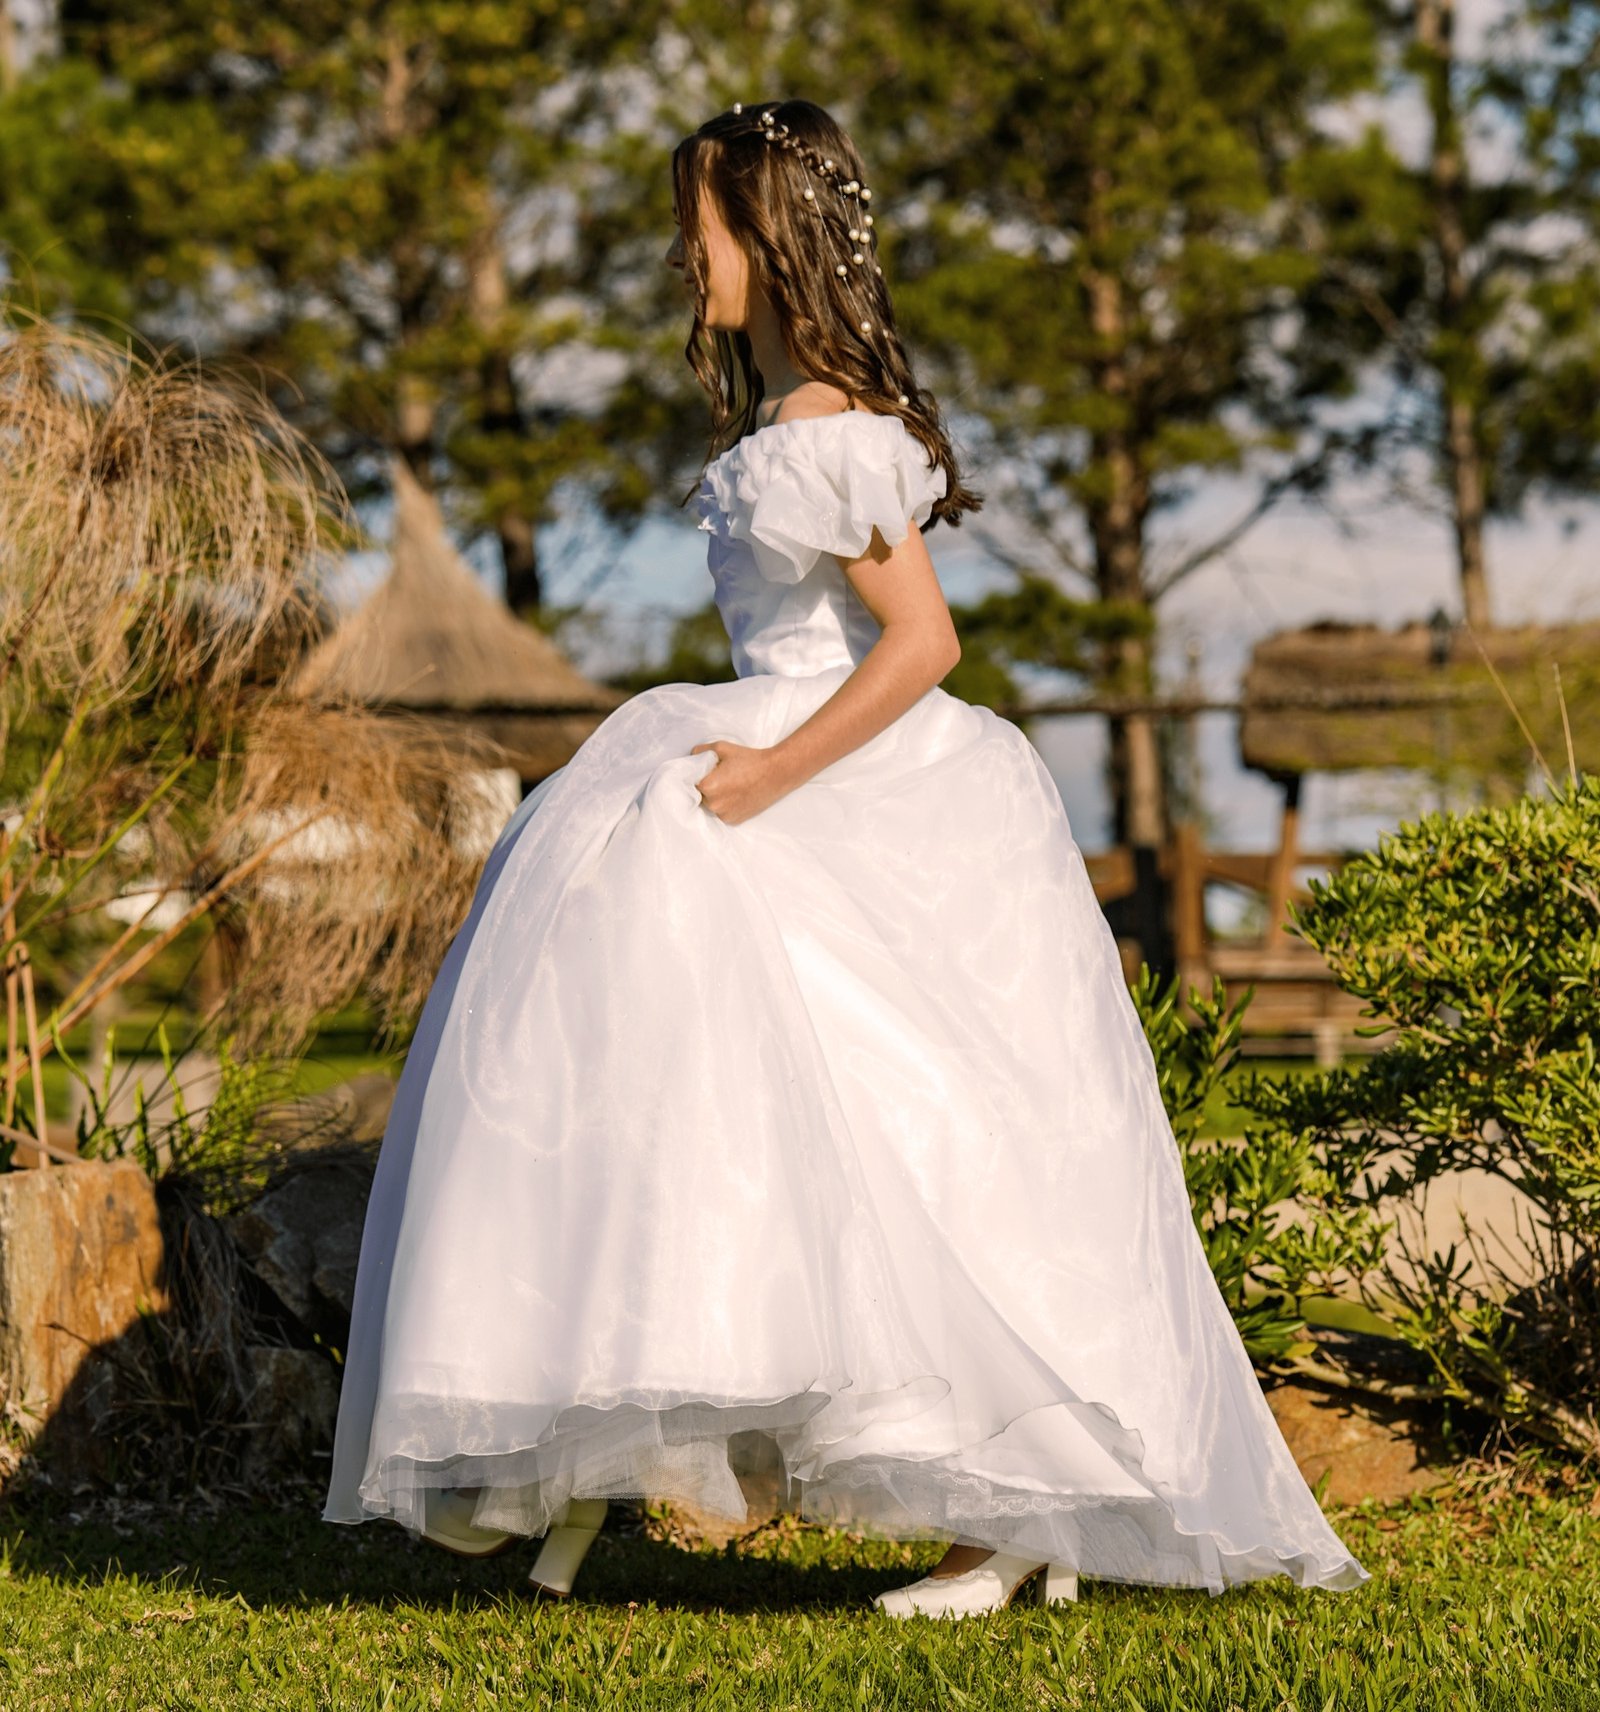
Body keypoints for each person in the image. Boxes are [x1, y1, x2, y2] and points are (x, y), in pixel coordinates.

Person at [321, 98, 1371, 1620]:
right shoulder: (782, 430)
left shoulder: (827, 439)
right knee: (681, 1108)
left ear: (773, 239)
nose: (691, 254)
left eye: (710, 224)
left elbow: (923, 641)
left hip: (845, 784)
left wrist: (769, 773)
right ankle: (570, 1456)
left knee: (919, 1150)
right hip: (768, 754)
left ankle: (1007, 1520)